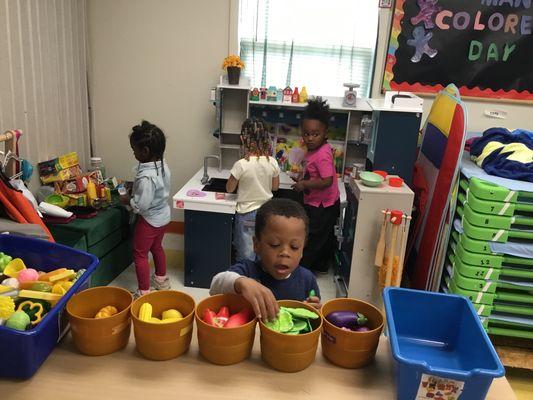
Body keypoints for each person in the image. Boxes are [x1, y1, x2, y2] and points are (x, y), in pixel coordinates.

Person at [210, 198, 321, 321]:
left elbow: (314, 313)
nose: (285, 253)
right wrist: (241, 282)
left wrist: (313, 310)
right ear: (257, 245)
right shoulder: (248, 270)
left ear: (302, 251)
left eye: (294, 247)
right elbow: (215, 286)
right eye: (274, 244)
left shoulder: (307, 279)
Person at [122, 120, 171, 297]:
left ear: (145, 152)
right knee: (157, 247)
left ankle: (143, 292)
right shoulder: (162, 165)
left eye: (134, 150)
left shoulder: (146, 178)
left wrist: (127, 199)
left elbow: (141, 205)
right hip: (163, 216)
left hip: (149, 220)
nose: (133, 153)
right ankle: (160, 279)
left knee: (140, 253)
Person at [292, 98, 340, 274]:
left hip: (322, 205)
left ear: (325, 132)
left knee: (314, 237)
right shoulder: (315, 150)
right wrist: (301, 177)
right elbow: (315, 172)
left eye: (315, 134)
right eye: (306, 134)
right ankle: (320, 266)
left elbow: (327, 180)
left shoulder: (322, 154)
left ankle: (303, 271)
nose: (310, 138)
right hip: (319, 202)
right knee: (320, 236)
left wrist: (304, 183)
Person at [227, 118, 280, 262]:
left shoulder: (241, 164)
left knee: (246, 254)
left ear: (242, 139)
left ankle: (245, 281)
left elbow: (229, 188)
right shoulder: (272, 162)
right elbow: (275, 187)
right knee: (263, 251)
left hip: (246, 214)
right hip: (266, 213)